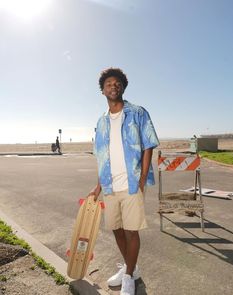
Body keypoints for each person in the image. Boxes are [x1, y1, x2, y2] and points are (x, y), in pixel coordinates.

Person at [88, 68, 159, 295]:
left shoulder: (138, 113)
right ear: (103, 90)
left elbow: (148, 145)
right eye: (109, 84)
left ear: (122, 87)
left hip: (130, 184)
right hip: (110, 185)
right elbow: (101, 157)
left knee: (131, 232)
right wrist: (97, 187)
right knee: (117, 230)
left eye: (117, 83)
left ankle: (128, 278)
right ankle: (132, 267)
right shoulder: (101, 122)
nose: (113, 86)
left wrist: (140, 179)